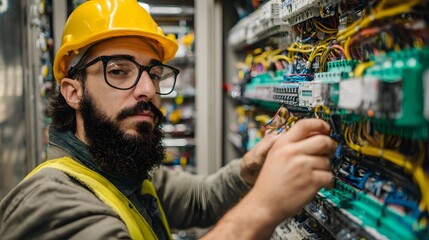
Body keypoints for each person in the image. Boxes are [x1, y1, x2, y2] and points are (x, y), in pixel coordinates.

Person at [0, 0, 335, 239]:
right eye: (119, 71)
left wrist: (250, 168)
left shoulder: (121, 170)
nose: (148, 89)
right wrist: (264, 207)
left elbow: (202, 198)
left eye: (155, 74)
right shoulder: (53, 204)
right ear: (73, 92)